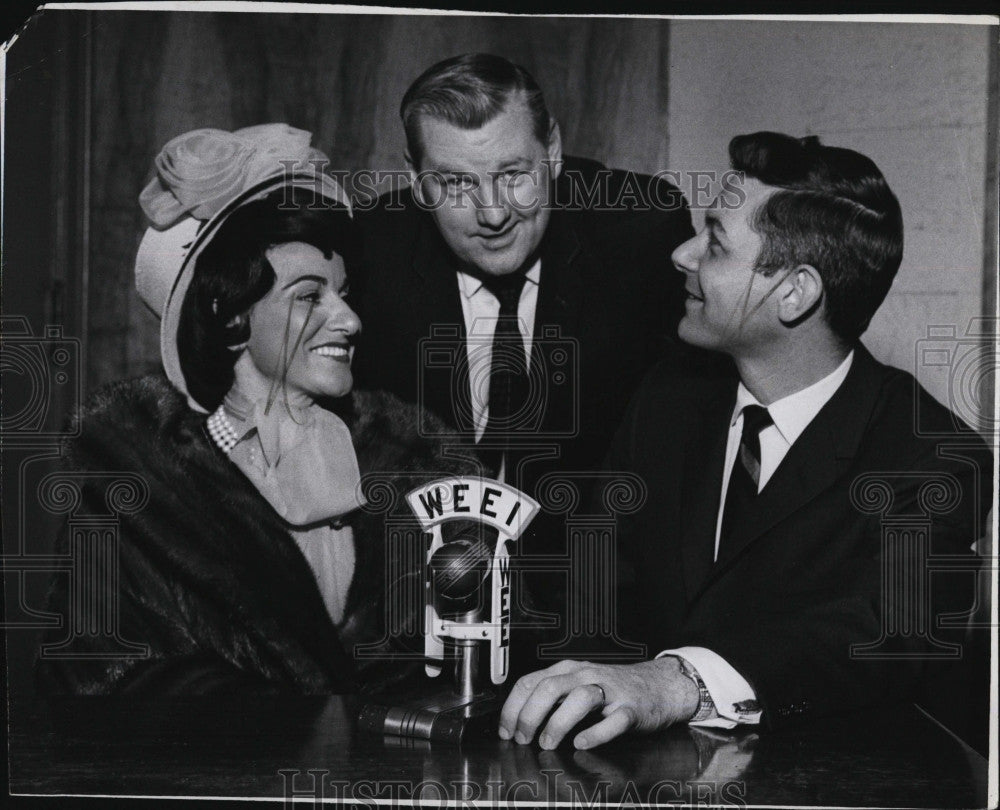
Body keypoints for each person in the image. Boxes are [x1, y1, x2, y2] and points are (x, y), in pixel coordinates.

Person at [499, 132, 993, 749]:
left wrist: (678, 683)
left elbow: (890, 631)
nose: (682, 254)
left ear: (794, 293)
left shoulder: (934, 456)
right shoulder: (667, 398)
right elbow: (594, 590)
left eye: (714, 242)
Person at [36, 125, 476, 696]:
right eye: (310, 295)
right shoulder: (131, 489)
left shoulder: (416, 466)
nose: (349, 319)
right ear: (229, 314)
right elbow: (93, 687)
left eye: (344, 292)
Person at [351, 53, 695, 533]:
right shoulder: (369, 253)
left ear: (552, 149)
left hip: (599, 566)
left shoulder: (639, 235)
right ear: (416, 178)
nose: (493, 215)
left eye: (512, 175)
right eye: (455, 183)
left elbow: (689, 436)